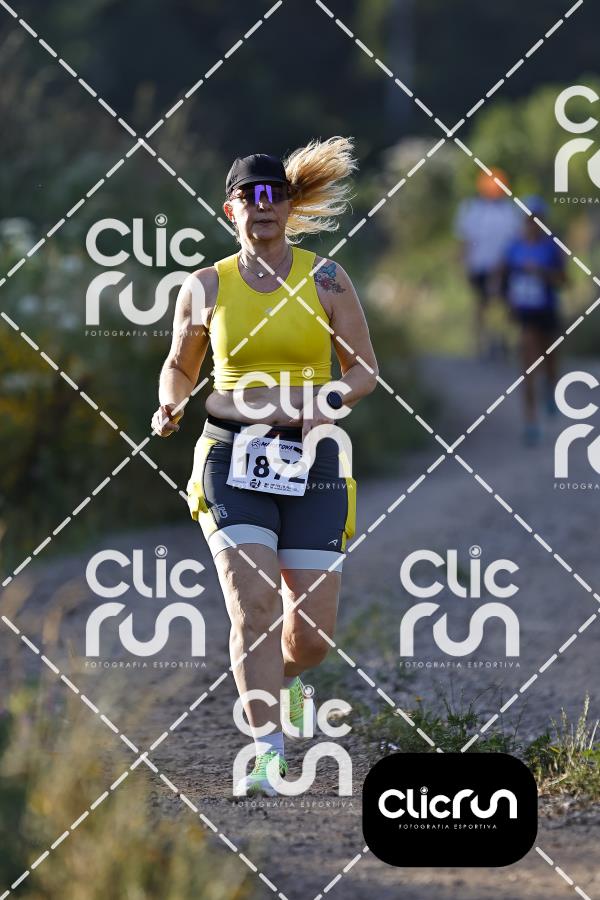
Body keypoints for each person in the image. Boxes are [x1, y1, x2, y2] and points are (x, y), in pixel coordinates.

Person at [151, 138, 378, 796]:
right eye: (250, 197)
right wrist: (170, 404)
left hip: (314, 462)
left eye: (274, 195)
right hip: (230, 456)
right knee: (254, 605)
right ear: (232, 210)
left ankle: (289, 679)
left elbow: (364, 370)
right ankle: (267, 753)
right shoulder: (205, 286)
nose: (263, 206)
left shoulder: (327, 278)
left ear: (289, 205)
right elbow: (179, 366)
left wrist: (327, 402)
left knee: (310, 639)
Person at [503, 196, 566, 445]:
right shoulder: (514, 247)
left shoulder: (551, 247)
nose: (533, 224)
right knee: (527, 367)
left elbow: (564, 280)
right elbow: (506, 278)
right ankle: (530, 420)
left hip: (547, 311)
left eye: (538, 219)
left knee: (550, 361)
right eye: (529, 219)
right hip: (525, 314)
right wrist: (507, 302)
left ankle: (551, 389)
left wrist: (543, 274)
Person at [455, 168, 522, 358]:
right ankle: (481, 343)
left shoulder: (510, 211)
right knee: (481, 304)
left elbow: (515, 239)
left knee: (505, 305)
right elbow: (465, 240)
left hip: (505, 266)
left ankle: (503, 341)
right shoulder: (472, 209)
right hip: (479, 266)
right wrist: (463, 263)